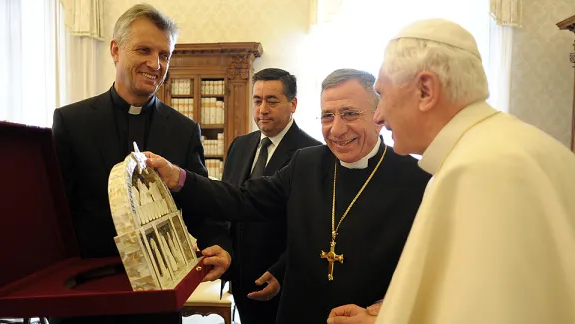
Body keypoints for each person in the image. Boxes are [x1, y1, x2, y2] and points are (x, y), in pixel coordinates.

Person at [334, 18, 575, 324]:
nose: (379, 116)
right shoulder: (525, 145)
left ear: (425, 90)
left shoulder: (477, 170)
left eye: (382, 95)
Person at [144, 68, 432, 323]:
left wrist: (381, 310)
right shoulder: (305, 163)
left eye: (350, 114)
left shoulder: (417, 177)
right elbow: (244, 199)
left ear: (379, 115)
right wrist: (178, 177)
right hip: (299, 312)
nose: (337, 129)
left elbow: (428, 266)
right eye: (328, 116)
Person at [51, 4, 231, 324]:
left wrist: (220, 244)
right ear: (116, 50)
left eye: (165, 54)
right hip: (87, 295)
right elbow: (56, 214)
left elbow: (200, 203)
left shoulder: (184, 130)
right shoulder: (71, 122)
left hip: (158, 300)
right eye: (144, 50)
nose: (155, 64)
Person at [221, 68, 321, 324]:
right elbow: (227, 205)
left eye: (272, 101)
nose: (262, 109)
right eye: (257, 101)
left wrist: (282, 270)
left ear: (293, 104)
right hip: (241, 277)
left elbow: (313, 227)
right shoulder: (240, 145)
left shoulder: (313, 153)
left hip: (283, 281)